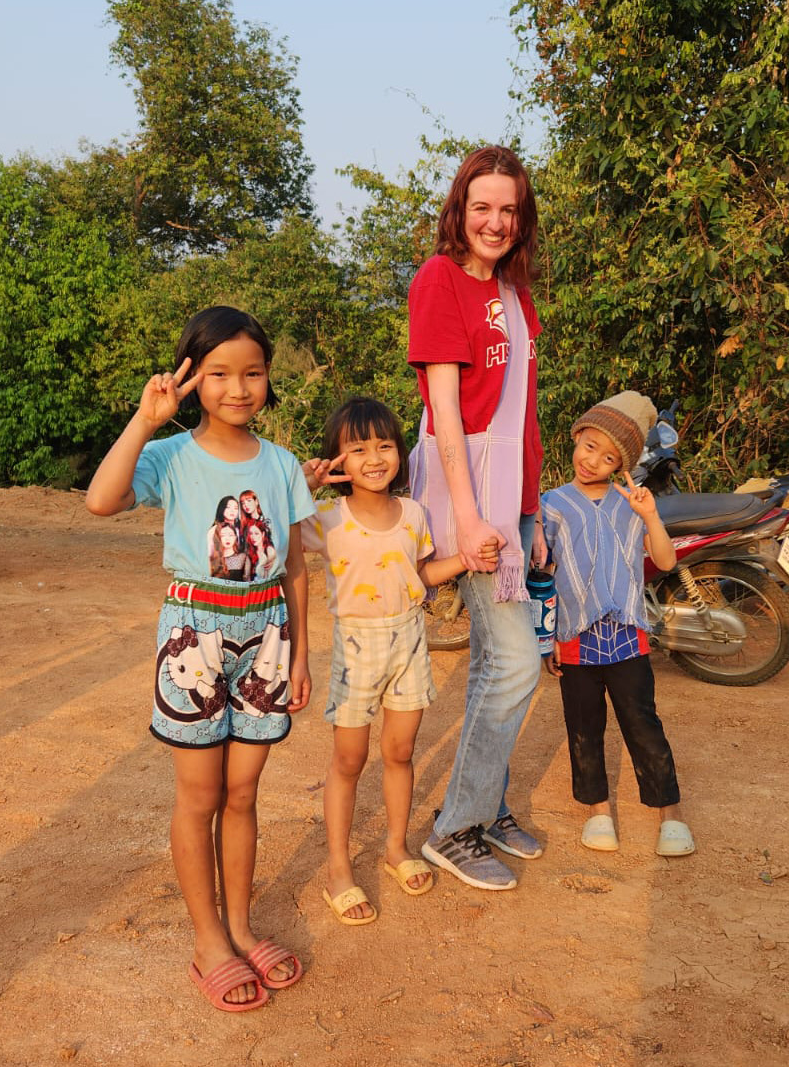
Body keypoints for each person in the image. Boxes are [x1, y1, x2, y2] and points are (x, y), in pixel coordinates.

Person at [85, 306, 314, 1013]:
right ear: (190, 377)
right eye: (218, 374)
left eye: (252, 373)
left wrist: (301, 655)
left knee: (243, 793)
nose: (237, 388)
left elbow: (298, 565)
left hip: (267, 635)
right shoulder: (170, 454)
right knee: (201, 796)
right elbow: (100, 499)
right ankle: (208, 937)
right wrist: (146, 419)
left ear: (269, 379)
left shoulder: (279, 464)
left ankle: (242, 925)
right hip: (196, 633)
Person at [406, 144, 547, 891]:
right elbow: (446, 414)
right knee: (518, 660)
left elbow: (521, 413)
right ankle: (454, 827)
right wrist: (466, 517)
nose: (495, 221)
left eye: (509, 210)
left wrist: (535, 508)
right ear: (459, 209)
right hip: (469, 494)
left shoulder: (516, 294)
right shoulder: (439, 282)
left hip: (512, 494)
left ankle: (485, 805)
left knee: (500, 661)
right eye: (482, 206)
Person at [299, 397, 496, 924]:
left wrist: (468, 559)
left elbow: (422, 576)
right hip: (355, 646)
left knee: (401, 751)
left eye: (385, 445)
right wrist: (304, 486)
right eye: (358, 448)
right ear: (336, 459)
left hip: (409, 641)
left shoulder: (414, 514)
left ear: (400, 453)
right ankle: (339, 867)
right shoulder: (325, 518)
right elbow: (279, 540)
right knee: (348, 760)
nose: (374, 457)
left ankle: (394, 848)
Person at [538, 392, 695, 858]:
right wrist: (547, 641)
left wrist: (649, 515)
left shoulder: (633, 503)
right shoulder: (551, 506)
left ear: (621, 464)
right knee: (584, 728)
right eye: (589, 446)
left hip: (628, 639)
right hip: (575, 639)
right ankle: (599, 811)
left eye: (609, 457)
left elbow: (664, 560)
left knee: (643, 724)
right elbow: (542, 578)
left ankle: (671, 814)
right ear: (576, 438)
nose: (593, 461)